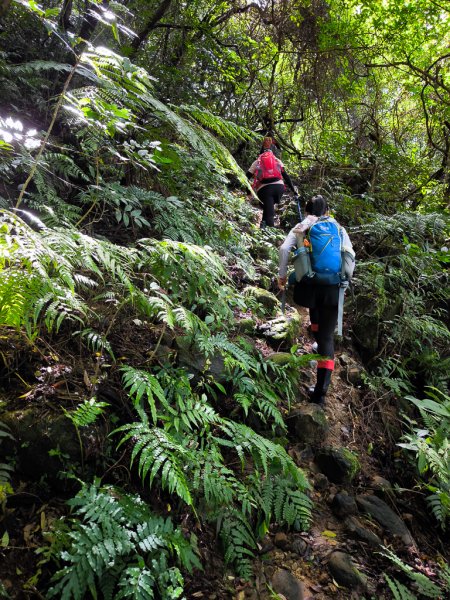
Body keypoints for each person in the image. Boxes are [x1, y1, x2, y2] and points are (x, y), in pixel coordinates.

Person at [277, 195, 355, 405]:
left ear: (308, 209)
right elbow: (349, 255)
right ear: (327, 210)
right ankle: (320, 393)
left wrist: (282, 275)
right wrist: (344, 284)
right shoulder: (338, 228)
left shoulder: (303, 225)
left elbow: (284, 249)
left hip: (310, 287)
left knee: (315, 311)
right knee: (327, 339)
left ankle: (317, 339)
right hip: (332, 288)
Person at [246, 137, 297, 228]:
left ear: (261, 152)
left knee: (269, 213)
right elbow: (286, 177)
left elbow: (246, 177)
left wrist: (248, 192)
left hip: (265, 190)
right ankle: (263, 227)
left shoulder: (257, 161)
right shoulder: (277, 160)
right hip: (279, 188)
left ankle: (269, 235)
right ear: (272, 152)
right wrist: (294, 190)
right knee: (268, 208)